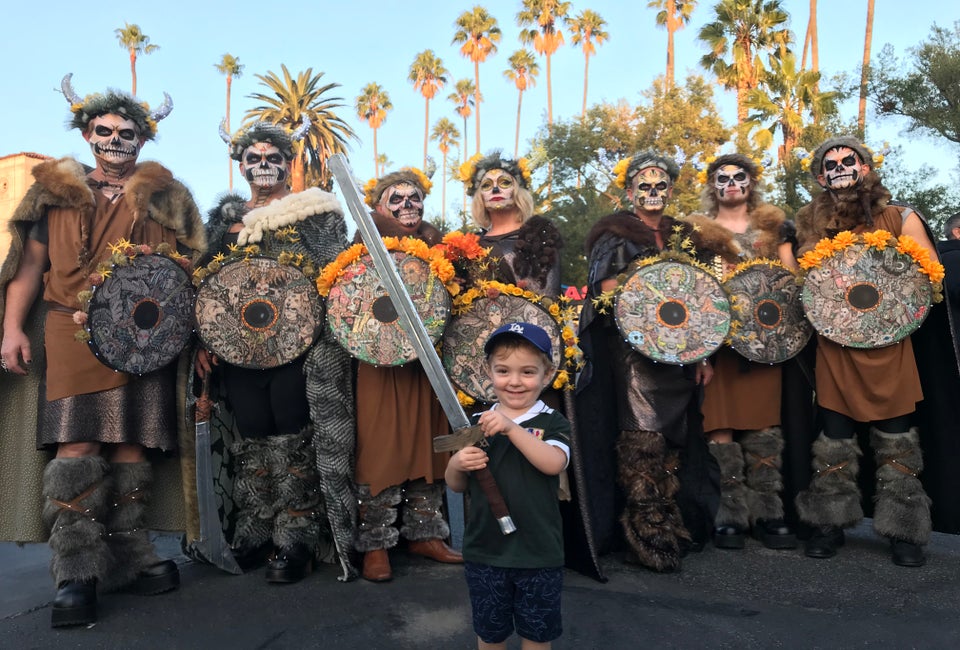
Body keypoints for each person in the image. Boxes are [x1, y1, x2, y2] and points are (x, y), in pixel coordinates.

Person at [0, 75, 206, 627]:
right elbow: (28, 268)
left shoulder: (169, 198)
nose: (116, 139)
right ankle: (76, 571)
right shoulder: (54, 193)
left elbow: (194, 273)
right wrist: (11, 329)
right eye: (105, 130)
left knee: (132, 445)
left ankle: (133, 555)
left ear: (144, 139)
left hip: (148, 336)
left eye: (128, 132)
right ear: (87, 133)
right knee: (79, 443)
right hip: (72, 331)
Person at [196, 120, 355, 582]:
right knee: (252, 431)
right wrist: (205, 339)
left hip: (297, 348)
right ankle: (257, 528)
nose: (263, 166)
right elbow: (207, 283)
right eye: (254, 158)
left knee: (292, 431)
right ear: (240, 164)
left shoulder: (314, 211)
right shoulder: (225, 222)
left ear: (289, 163)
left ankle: (296, 536)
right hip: (239, 351)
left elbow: (334, 270)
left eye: (273, 158)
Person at [574, 151, 737, 572]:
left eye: (660, 185)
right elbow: (608, 290)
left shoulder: (684, 235)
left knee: (673, 441)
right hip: (633, 354)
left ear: (669, 189)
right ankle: (648, 532)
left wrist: (703, 353)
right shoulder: (614, 234)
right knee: (641, 440)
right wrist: (651, 286)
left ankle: (671, 520)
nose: (652, 192)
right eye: (643, 186)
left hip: (680, 356)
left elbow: (703, 299)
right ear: (629, 191)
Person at [794, 136, 939, 566]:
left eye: (848, 160)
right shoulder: (808, 224)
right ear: (821, 176)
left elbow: (928, 278)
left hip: (890, 346)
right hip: (835, 348)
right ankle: (829, 523)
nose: (840, 168)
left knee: (897, 439)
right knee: (833, 438)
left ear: (866, 168)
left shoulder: (900, 217)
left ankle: (904, 530)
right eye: (831, 164)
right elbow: (801, 283)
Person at [686, 153, 799, 550]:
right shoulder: (695, 232)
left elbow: (791, 282)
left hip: (765, 340)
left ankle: (768, 511)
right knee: (720, 425)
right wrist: (698, 351)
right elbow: (691, 290)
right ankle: (730, 513)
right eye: (723, 177)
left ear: (751, 183)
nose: (731, 183)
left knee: (764, 423)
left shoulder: (774, 227)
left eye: (739, 177)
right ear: (712, 185)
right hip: (717, 345)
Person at [354, 168, 462, 582]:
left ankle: (424, 533)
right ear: (379, 206)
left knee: (429, 442)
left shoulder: (440, 245)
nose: (406, 206)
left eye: (412, 198)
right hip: (377, 358)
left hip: (427, 363)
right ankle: (376, 544)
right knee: (379, 445)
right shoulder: (361, 244)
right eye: (394, 200)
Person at [446, 322, 570, 650]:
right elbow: (457, 485)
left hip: (538, 552)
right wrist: (456, 464)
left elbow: (553, 463)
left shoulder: (552, 422)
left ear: (547, 374)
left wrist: (511, 429)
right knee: (490, 635)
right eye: (503, 370)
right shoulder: (474, 425)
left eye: (528, 372)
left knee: (537, 636)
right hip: (485, 551)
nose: (515, 381)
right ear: (488, 372)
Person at [463, 151, 562, 297]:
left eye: (505, 182)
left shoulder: (538, 238)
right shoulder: (469, 246)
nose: (495, 189)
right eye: (486, 185)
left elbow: (546, 303)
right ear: (479, 196)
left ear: (517, 190)